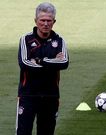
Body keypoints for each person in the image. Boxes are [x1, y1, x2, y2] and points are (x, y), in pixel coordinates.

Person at [15, 2, 69, 135]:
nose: (45, 24)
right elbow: (24, 63)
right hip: (28, 95)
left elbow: (64, 63)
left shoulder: (60, 41)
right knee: (23, 132)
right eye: (42, 20)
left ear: (54, 22)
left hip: (51, 96)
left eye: (49, 21)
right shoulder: (25, 40)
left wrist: (39, 60)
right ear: (36, 21)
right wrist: (52, 62)